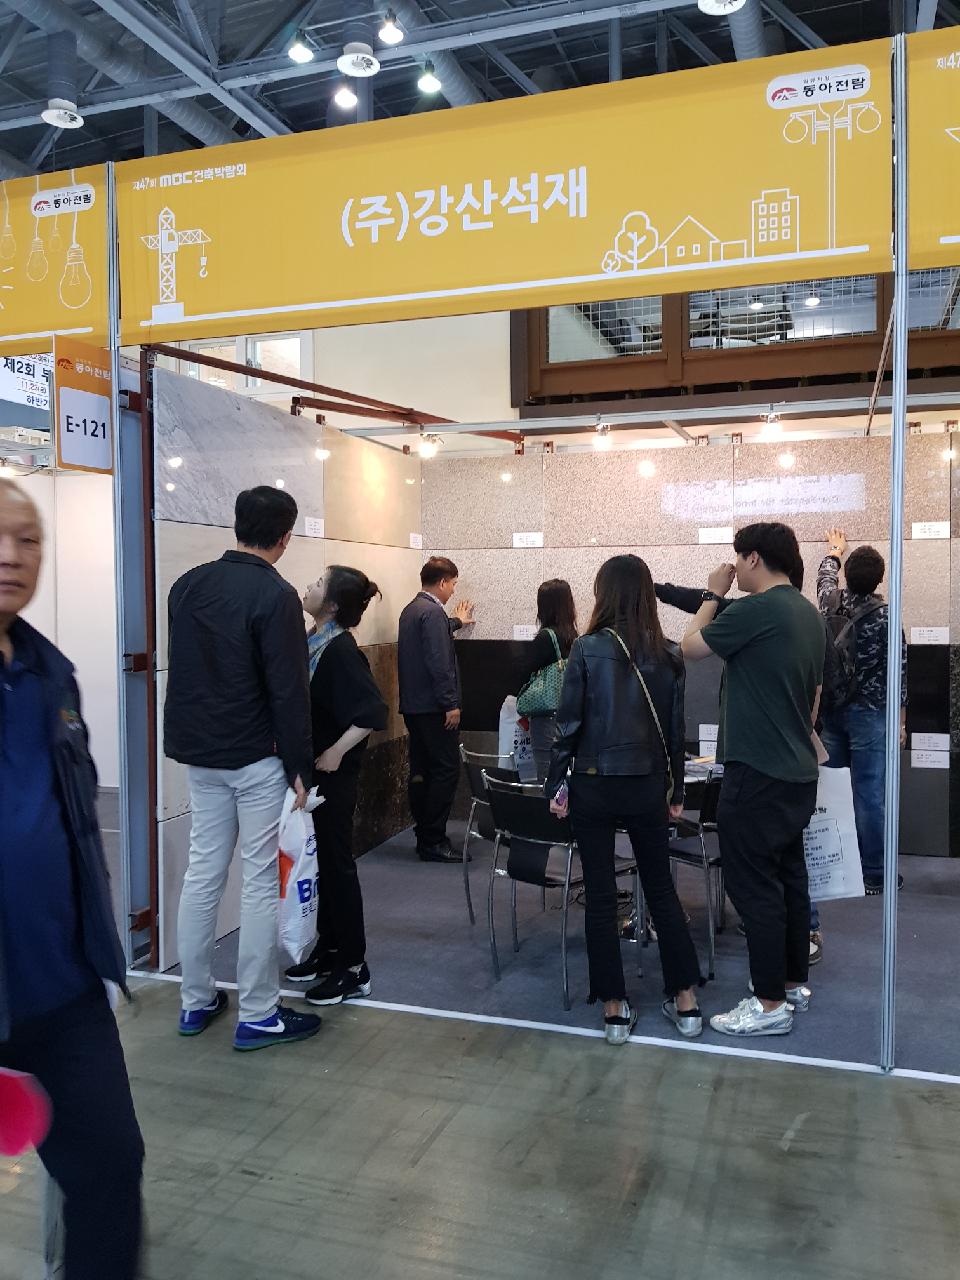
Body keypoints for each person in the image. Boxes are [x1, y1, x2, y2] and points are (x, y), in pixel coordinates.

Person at [0, 479, 144, 1277]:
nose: (11, 556)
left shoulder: (51, 674)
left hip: (63, 990)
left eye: (28, 539)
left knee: (110, 1165)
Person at [165, 486, 322, 1051]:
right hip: (255, 756)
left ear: (236, 525)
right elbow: (288, 688)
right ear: (285, 536)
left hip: (199, 753)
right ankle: (258, 1013)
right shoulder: (276, 594)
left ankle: (195, 999)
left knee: (202, 873)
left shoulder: (187, 584)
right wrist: (301, 766)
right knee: (257, 880)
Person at [547, 555, 703, 1045]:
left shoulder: (586, 648)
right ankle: (687, 1003)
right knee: (661, 889)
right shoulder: (670, 653)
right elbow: (675, 732)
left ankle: (614, 1009)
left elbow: (568, 726)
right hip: (647, 785)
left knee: (599, 895)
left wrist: (556, 785)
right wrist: (677, 791)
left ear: (604, 594)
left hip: (593, 784)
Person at [682, 522, 824, 1038]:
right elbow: (814, 697)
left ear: (755, 559)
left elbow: (690, 646)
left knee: (754, 887)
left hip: (757, 771)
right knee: (788, 879)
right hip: (797, 771)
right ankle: (790, 984)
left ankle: (768, 1005)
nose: (734, 568)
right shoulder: (809, 614)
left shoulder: (755, 609)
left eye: (737, 559)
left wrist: (711, 594)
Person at [284, 565, 388, 1004]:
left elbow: (372, 712)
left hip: (334, 777)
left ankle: (354, 966)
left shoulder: (341, 649)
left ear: (331, 603)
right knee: (323, 864)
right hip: (314, 774)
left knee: (338, 866)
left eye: (318, 583)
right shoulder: (315, 640)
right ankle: (328, 950)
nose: (308, 586)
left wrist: (337, 751)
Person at [817, 527, 907, 898]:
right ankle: (874, 874)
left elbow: (824, 577)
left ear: (848, 575)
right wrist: (900, 722)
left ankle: (835, 869)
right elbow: (899, 673)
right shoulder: (887, 618)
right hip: (871, 715)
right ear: (879, 579)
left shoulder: (830, 603)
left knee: (832, 790)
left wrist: (834, 551)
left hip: (831, 711)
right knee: (869, 794)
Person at [398, 556, 475, 863]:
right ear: (443, 582)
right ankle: (433, 839)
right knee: (445, 770)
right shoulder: (431, 613)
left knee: (422, 769)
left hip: (415, 707)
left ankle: (424, 833)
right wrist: (450, 704)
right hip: (435, 708)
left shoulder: (412, 610)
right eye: (453, 584)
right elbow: (439, 663)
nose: (454, 590)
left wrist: (456, 622)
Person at [517, 578, 578, 780]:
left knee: (548, 777)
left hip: (547, 718)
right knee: (566, 777)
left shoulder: (546, 637)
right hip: (569, 716)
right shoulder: (573, 636)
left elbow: (525, 671)